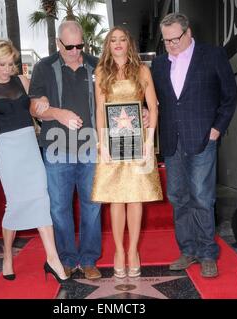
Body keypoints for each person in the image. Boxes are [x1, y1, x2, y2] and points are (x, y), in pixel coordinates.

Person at [151, 13, 237, 278]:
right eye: (166, 41)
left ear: (188, 33)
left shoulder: (212, 55)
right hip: (171, 140)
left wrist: (217, 129)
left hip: (203, 138)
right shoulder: (157, 65)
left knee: (202, 196)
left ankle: (207, 253)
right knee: (179, 198)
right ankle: (187, 250)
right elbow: (154, 101)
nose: (170, 45)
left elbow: (230, 96)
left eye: (175, 39)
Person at [0, 40, 68, 282]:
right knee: (14, 204)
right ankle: (7, 255)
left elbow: (37, 106)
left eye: (11, 64)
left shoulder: (23, 81)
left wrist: (44, 101)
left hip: (29, 146)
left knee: (41, 198)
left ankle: (52, 258)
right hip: (8, 150)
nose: (8, 69)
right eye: (2, 64)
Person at [29, 21, 103, 280]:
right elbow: (34, 107)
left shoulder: (97, 65)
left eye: (79, 45)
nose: (74, 50)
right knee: (59, 207)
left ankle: (89, 259)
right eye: (69, 46)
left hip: (91, 148)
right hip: (57, 149)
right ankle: (68, 259)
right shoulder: (44, 67)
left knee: (92, 206)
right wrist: (56, 113)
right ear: (58, 43)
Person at [90, 27, 163, 278]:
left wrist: (149, 142)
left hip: (138, 140)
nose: (118, 44)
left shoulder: (142, 70)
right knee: (116, 198)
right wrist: (102, 144)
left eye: (122, 39)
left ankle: (133, 251)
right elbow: (100, 110)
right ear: (108, 45)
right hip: (112, 140)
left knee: (135, 197)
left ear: (129, 43)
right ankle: (118, 251)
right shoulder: (101, 71)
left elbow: (152, 107)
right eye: (113, 40)